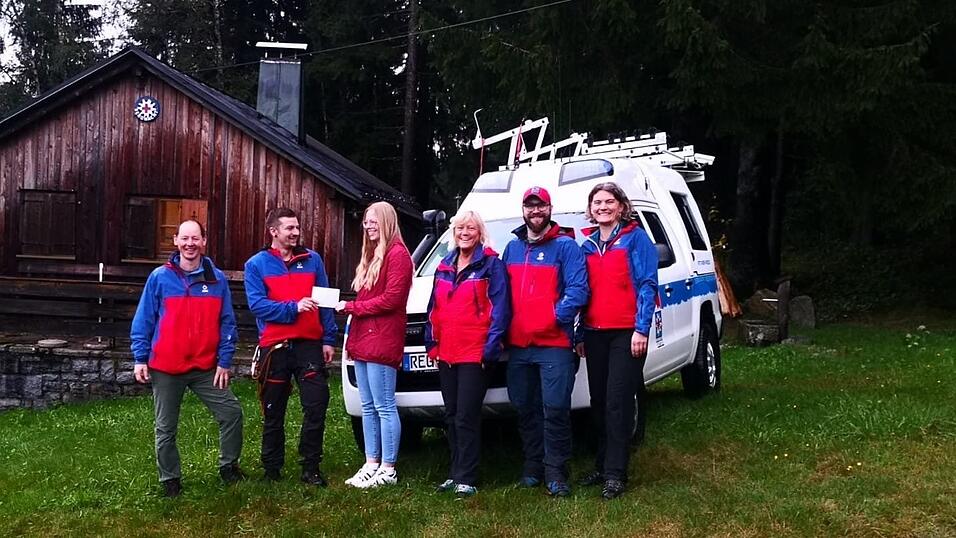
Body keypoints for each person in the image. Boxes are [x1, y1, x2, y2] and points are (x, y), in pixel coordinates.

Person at [130, 219, 244, 498]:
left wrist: (224, 361)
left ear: (204, 241)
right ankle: (170, 479)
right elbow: (143, 320)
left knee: (232, 414)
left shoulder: (216, 280)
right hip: (166, 367)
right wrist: (140, 358)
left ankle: (229, 467)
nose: (190, 244)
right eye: (185, 238)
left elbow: (227, 322)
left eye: (195, 238)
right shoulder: (159, 277)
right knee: (165, 428)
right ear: (176, 242)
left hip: (206, 367)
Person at [502, 186, 589, 497]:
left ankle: (556, 472)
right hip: (519, 347)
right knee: (524, 408)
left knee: (554, 409)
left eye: (541, 207)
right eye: (530, 206)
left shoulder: (566, 247)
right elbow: (501, 296)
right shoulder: (512, 249)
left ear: (550, 209)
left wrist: (551, 318)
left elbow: (578, 291)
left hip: (554, 345)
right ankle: (532, 466)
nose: (535, 212)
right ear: (523, 210)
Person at [575, 182, 658, 500]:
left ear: (622, 206)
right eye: (597, 202)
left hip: (627, 333)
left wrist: (641, 329)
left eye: (609, 201)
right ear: (590, 209)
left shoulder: (636, 239)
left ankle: (616, 474)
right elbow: (584, 292)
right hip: (595, 333)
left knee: (617, 402)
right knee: (598, 402)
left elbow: (648, 284)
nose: (603, 207)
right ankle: (602, 464)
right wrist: (580, 332)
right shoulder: (587, 244)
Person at [243, 208, 337, 487]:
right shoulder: (256, 265)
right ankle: (271, 469)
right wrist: (293, 308)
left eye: (297, 227)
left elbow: (325, 301)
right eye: (289, 228)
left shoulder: (312, 260)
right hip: (275, 347)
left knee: (316, 404)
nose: (296, 232)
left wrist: (329, 339)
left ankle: (311, 467)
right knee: (273, 410)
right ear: (273, 231)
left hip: (309, 345)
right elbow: (258, 305)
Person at [424, 210, 511, 498]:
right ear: (454, 231)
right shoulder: (444, 264)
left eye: (471, 228)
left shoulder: (491, 264)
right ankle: (454, 472)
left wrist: (491, 347)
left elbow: (500, 309)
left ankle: (467, 477)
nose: (465, 233)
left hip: (475, 353)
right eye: (460, 228)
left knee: (466, 415)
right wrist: (431, 343)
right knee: (450, 416)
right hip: (447, 352)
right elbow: (432, 308)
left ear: (480, 233)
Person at [336, 201, 413, 488]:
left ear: (386, 222)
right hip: (363, 338)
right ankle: (371, 463)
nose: (368, 226)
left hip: (382, 338)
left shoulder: (398, 255)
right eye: (366, 221)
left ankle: (389, 468)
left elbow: (393, 299)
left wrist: (353, 307)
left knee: (384, 405)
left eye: (373, 221)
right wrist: (354, 310)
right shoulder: (372, 255)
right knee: (367, 406)